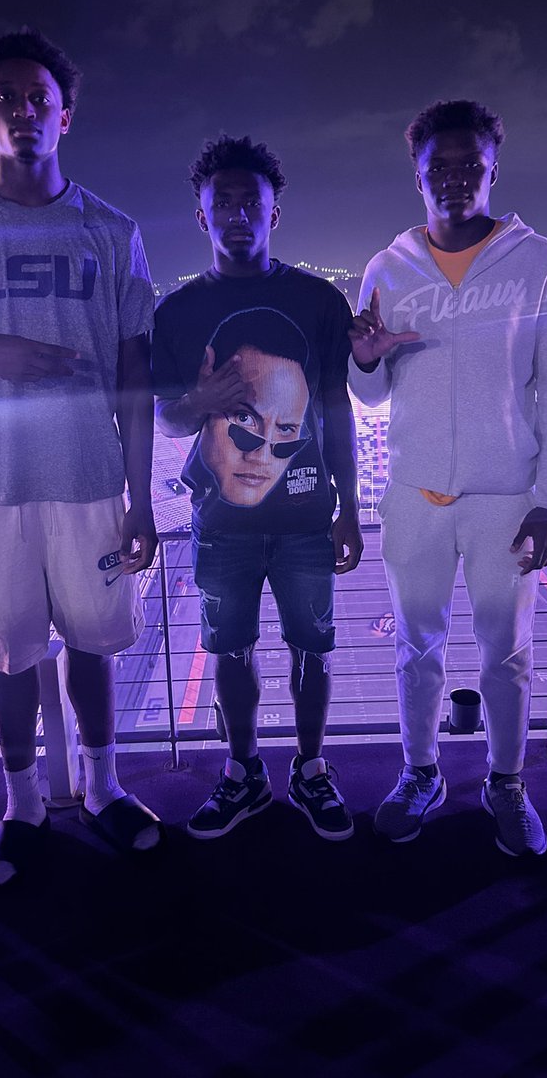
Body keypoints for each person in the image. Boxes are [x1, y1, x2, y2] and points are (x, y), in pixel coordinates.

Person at [0, 28, 162, 890]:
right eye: (6, 98)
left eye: (38, 99)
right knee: (9, 651)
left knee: (93, 645)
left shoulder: (112, 230)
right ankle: (20, 806)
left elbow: (136, 374)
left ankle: (102, 788)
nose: (24, 112)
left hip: (92, 478)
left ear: (67, 113)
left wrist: (143, 497)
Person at [348, 99, 547, 856]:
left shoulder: (536, 261)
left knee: (507, 654)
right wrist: (368, 357)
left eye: (467, 164)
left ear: (492, 168)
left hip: (506, 498)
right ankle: (422, 771)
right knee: (415, 649)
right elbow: (371, 398)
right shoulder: (387, 269)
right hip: (415, 495)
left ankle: (506, 782)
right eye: (437, 167)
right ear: (417, 175)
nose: (453, 178)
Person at [152, 135, 363, 841]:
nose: (238, 214)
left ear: (276, 213)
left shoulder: (317, 301)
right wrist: (200, 401)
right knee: (229, 652)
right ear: (202, 216)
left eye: (252, 202)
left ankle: (309, 769)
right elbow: (163, 419)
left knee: (314, 649)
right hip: (221, 524)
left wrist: (351, 509)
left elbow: (336, 410)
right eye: (224, 203)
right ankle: (244, 772)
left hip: (307, 518)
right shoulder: (177, 314)